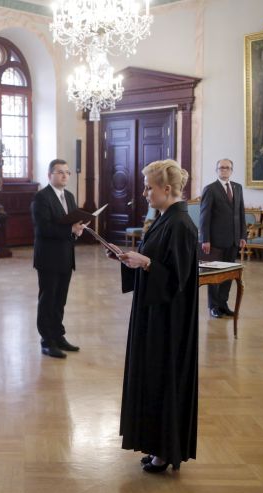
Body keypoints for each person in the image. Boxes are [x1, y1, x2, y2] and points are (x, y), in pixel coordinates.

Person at [110, 159, 199, 473]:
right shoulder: (164, 219)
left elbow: (179, 281)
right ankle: (154, 444)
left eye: (149, 188)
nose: (145, 193)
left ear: (167, 188)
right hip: (153, 314)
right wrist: (131, 260)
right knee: (151, 378)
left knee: (164, 379)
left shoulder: (181, 224)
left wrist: (146, 263)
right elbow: (154, 260)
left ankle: (165, 450)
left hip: (169, 322)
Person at [31, 159, 87, 359]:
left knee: (60, 300)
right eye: (60, 172)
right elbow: (43, 229)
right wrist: (70, 229)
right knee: (48, 300)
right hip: (48, 257)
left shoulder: (69, 196)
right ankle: (47, 341)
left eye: (67, 172)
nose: (65, 175)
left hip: (65, 256)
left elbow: (71, 223)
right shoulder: (41, 197)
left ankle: (58, 336)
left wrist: (77, 230)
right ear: (50, 175)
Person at [199, 158, 246, 318]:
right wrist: (205, 239)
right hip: (215, 241)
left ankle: (223, 304)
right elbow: (204, 216)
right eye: (221, 168)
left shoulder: (237, 187)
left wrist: (243, 235)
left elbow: (240, 213)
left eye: (227, 168)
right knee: (214, 274)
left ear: (231, 170)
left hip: (233, 240)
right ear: (217, 170)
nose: (224, 170)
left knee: (228, 274)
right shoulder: (210, 189)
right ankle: (213, 306)